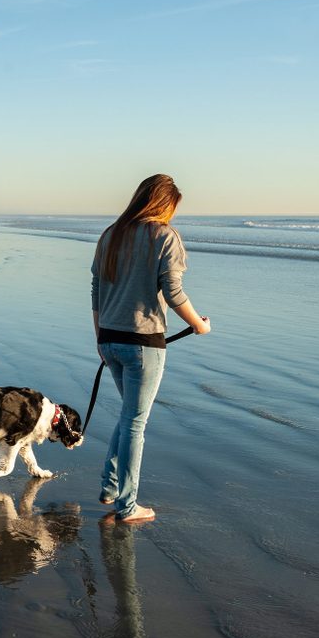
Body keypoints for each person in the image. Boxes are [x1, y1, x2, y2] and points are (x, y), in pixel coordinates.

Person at [91, 174, 211, 523]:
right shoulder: (164, 236)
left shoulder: (111, 234)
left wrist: (99, 336)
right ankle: (127, 506)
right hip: (143, 344)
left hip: (110, 339)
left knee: (129, 416)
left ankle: (110, 488)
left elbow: (97, 287)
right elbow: (173, 292)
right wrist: (199, 325)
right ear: (163, 204)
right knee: (134, 423)